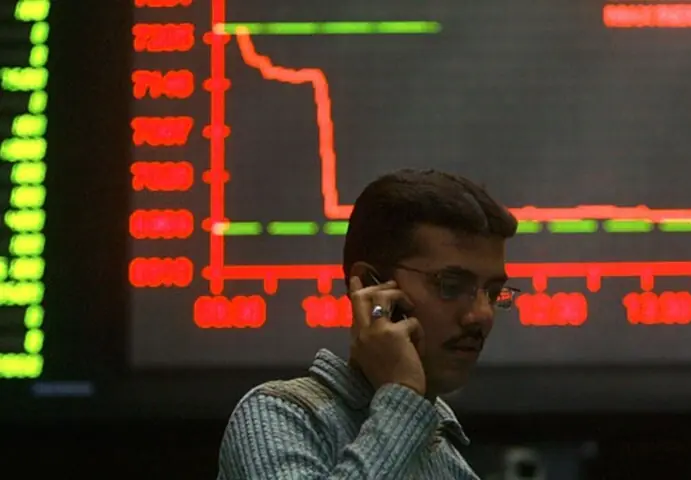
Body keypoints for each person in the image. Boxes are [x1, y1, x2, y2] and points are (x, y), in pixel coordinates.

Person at [217, 169, 519, 479]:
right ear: (370, 288)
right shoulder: (279, 417)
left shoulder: (446, 456)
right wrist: (402, 398)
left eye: (493, 292)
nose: (483, 314)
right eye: (451, 285)